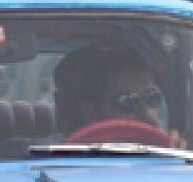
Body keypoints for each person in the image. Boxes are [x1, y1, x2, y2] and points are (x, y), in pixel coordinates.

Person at [53, 46, 184, 148]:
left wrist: (175, 150)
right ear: (92, 113)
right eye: (127, 101)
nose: (147, 115)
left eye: (152, 97)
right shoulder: (52, 156)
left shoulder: (168, 153)